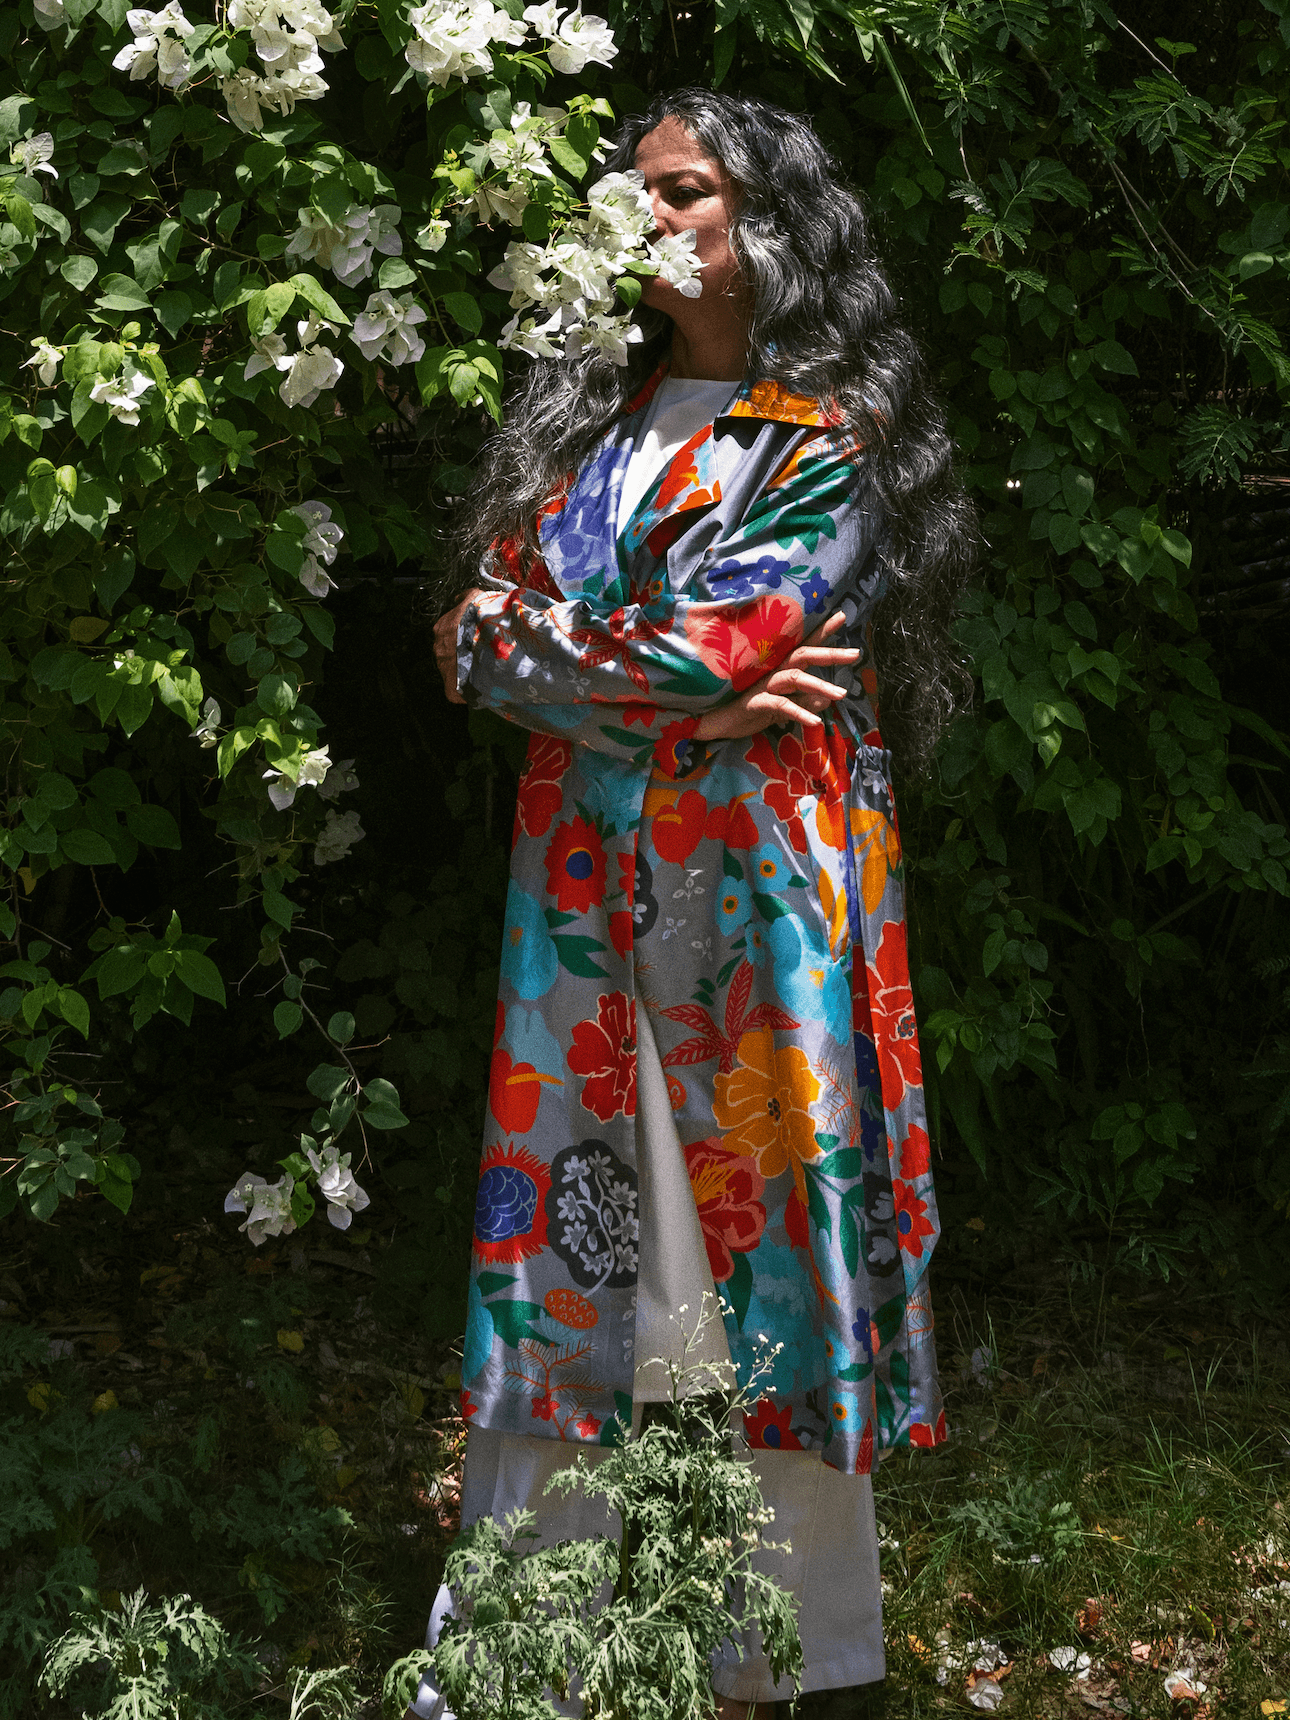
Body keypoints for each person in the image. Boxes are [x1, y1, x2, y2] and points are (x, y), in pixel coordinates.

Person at [415, 88, 974, 1720]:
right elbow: (480, 637)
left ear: (770, 219)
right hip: (581, 909)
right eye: (635, 193)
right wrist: (666, 694)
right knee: (566, 1254)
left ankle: (766, 1658)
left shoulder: (823, 433)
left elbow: (706, 641)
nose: (647, 218)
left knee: (769, 1246)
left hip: (756, 902)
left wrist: (566, 664)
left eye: (682, 191)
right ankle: (521, 1657)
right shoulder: (581, 427)